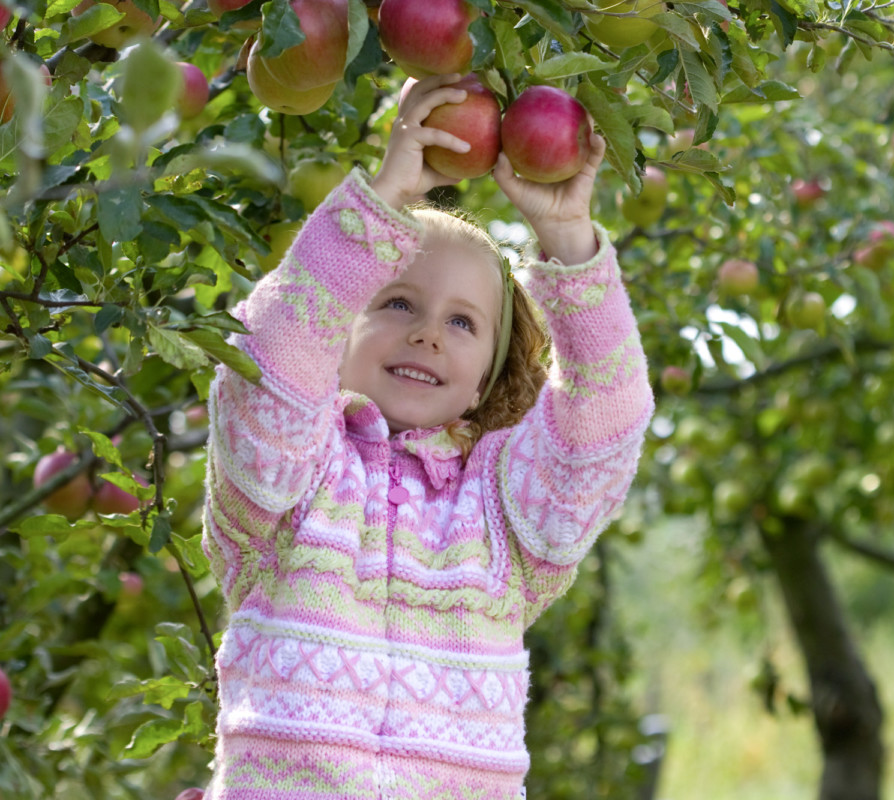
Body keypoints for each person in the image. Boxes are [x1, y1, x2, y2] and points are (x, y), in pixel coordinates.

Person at [201, 74, 653, 799]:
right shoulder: (289, 479)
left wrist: (568, 240)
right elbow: (270, 364)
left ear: (484, 378)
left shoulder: (505, 514)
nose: (426, 332)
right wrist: (385, 202)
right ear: (339, 327)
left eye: (463, 322)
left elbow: (606, 424)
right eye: (398, 301)